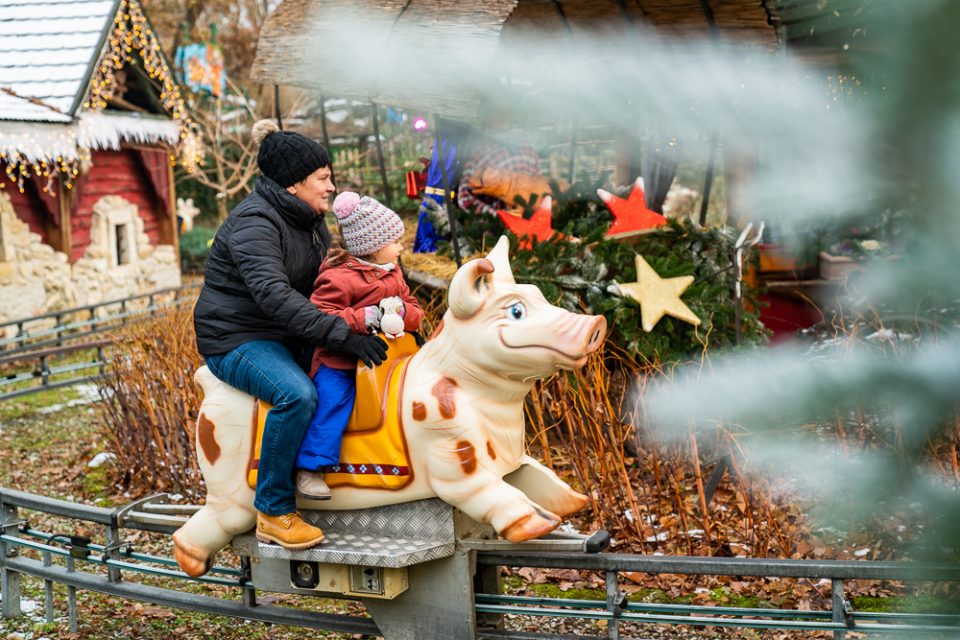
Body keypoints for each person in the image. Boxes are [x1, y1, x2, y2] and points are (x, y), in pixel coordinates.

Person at [193, 120, 388, 550]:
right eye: (323, 178)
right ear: (293, 183)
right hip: (236, 337)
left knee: (349, 371)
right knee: (296, 394)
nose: (331, 186)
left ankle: (326, 472)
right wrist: (341, 333)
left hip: (282, 331)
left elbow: (319, 282)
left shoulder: (307, 218)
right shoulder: (255, 223)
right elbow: (274, 295)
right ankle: (274, 510)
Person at [295, 192, 423, 499]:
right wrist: (365, 317)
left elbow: (415, 310)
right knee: (332, 401)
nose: (401, 247)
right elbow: (321, 314)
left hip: (389, 358)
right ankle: (311, 468)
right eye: (395, 242)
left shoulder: (393, 273)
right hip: (340, 360)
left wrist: (402, 313)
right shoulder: (339, 277)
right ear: (374, 247)